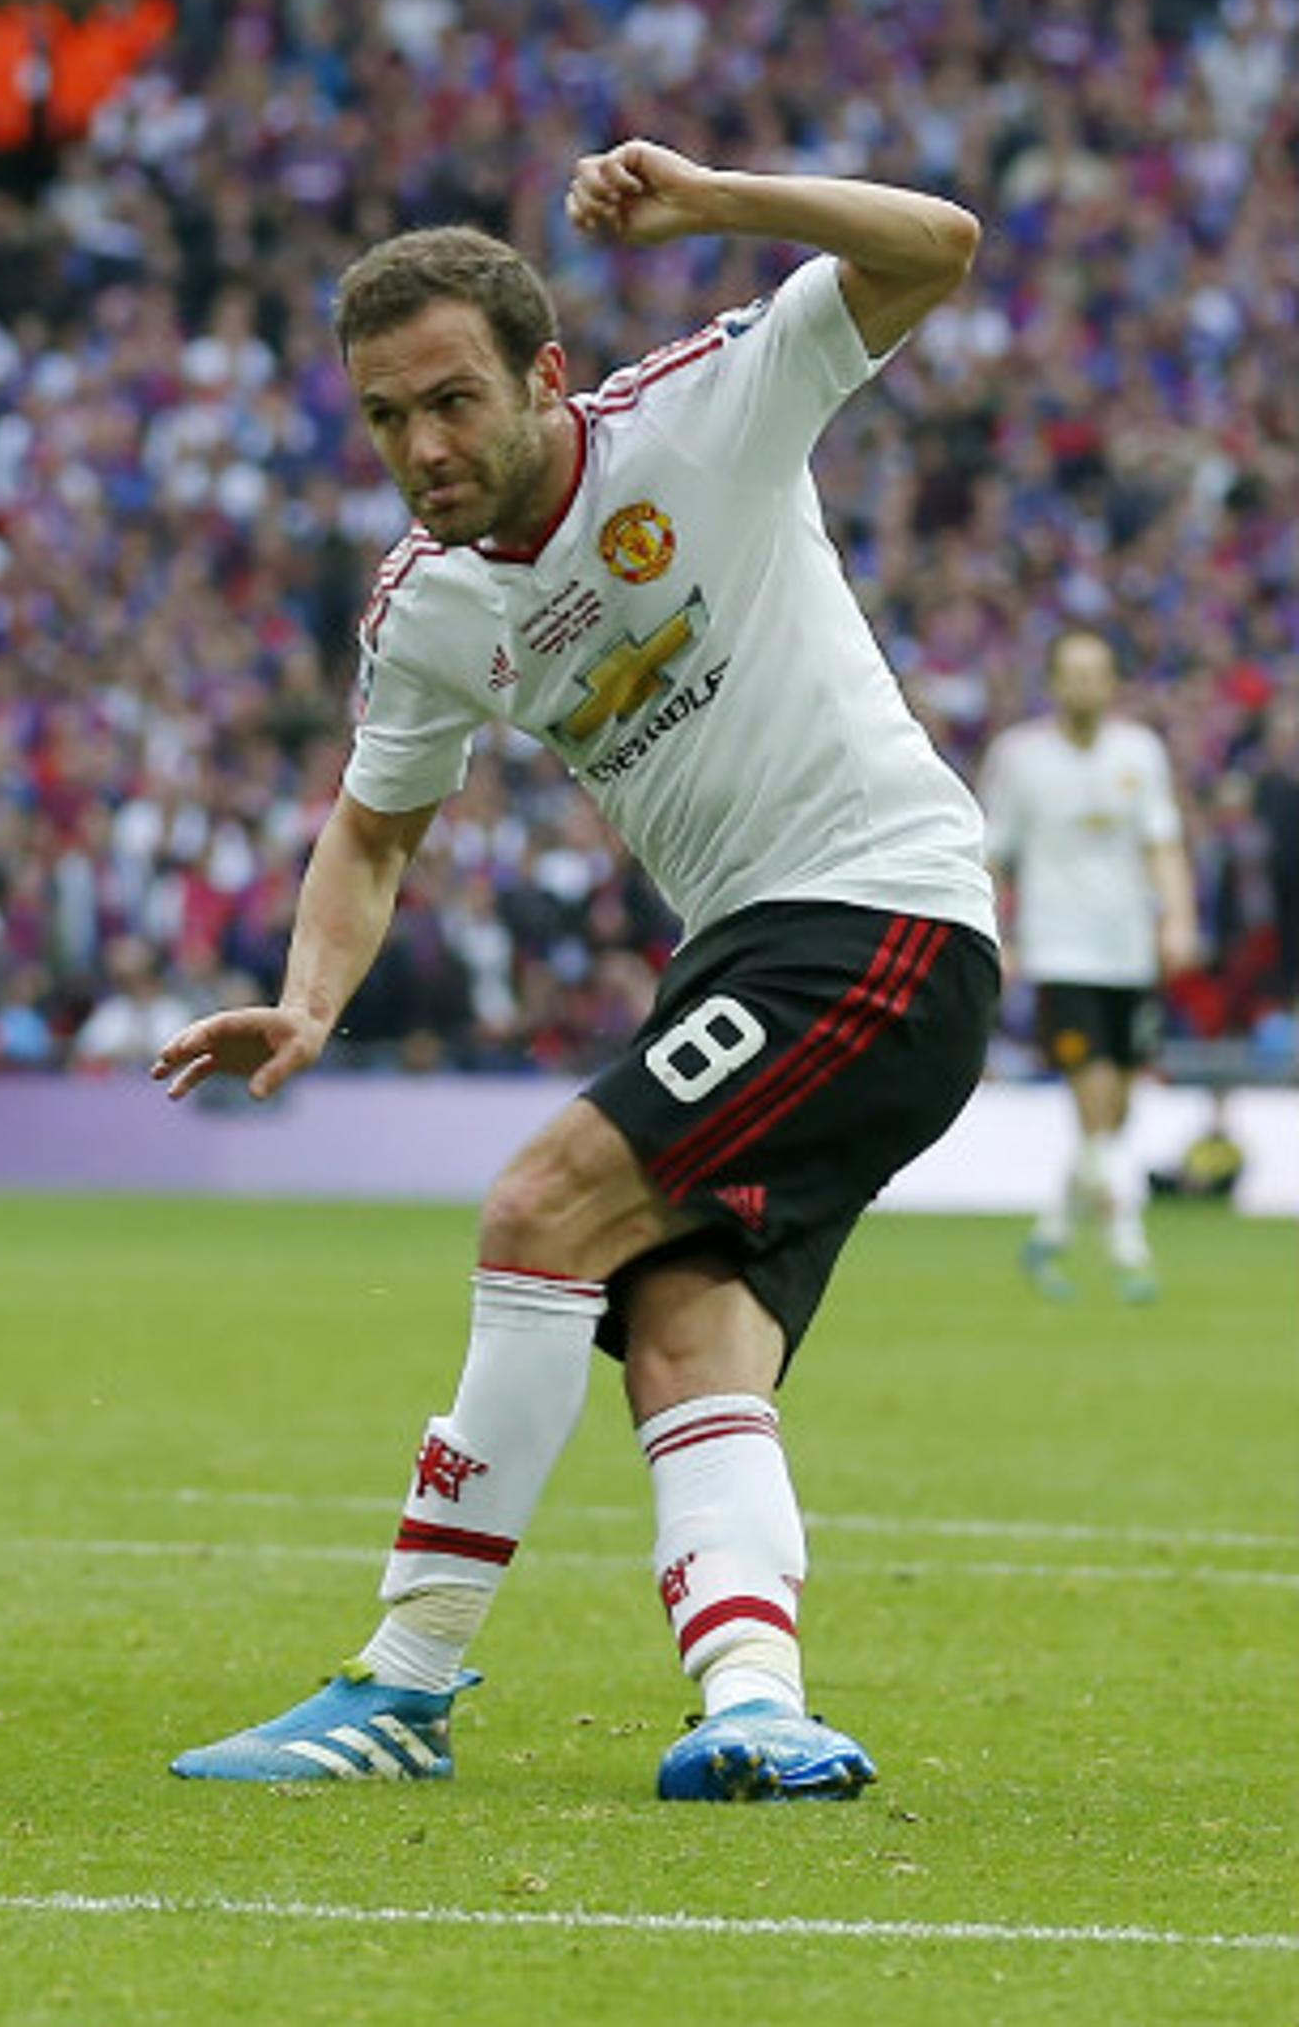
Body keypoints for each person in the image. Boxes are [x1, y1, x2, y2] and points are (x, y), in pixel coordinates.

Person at [155, 140, 998, 1802]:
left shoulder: (701, 412)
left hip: (878, 912)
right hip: (748, 958)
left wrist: (714, 201)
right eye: (388, 417)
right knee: (683, 1329)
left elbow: (941, 244)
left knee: (543, 1206)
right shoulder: (431, 608)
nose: (425, 447)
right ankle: (758, 1702)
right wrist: (311, 997)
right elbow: (374, 825)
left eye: (455, 400)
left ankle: (404, 1679)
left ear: (544, 374)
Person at [977, 628, 1198, 1302]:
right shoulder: (1021, 758)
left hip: (1127, 952)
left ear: (1112, 683)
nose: (1084, 685)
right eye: (1071, 673)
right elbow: (993, 856)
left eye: (1095, 673)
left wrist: (1179, 917)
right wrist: (997, 935)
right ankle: (1130, 1249)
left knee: (1114, 1111)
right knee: (1094, 1096)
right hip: (1059, 952)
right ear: (1052, 683)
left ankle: (1049, 1235)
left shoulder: (1140, 753)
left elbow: (1162, 845)